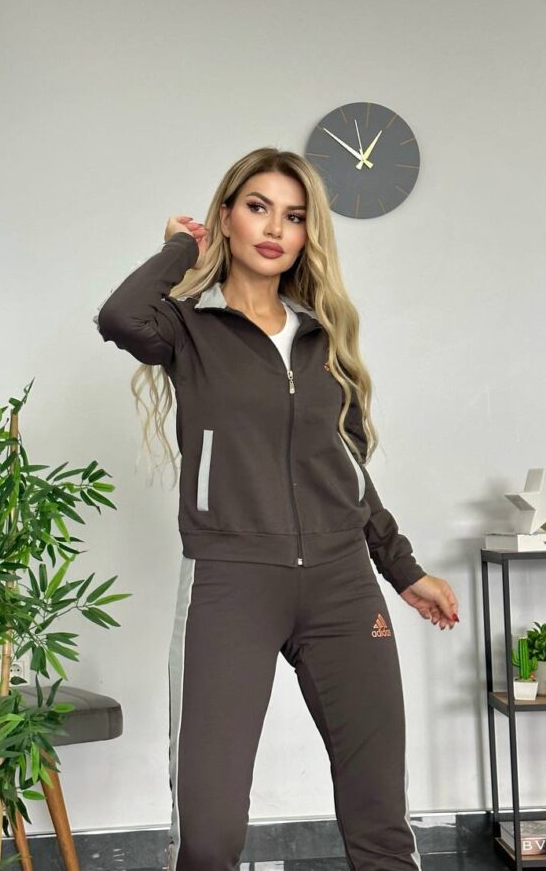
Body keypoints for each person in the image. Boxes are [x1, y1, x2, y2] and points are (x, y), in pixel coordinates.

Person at [94, 147, 459, 871]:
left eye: (293, 217)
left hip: (342, 582)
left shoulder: (322, 334)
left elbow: (345, 471)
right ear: (227, 215)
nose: (274, 229)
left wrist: (402, 569)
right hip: (232, 582)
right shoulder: (188, 327)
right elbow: (118, 317)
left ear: (306, 234)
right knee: (209, 834)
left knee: (382, 821)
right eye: (258, 207)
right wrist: (180, 248)